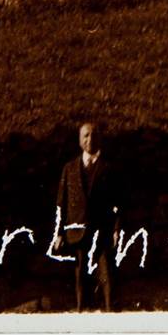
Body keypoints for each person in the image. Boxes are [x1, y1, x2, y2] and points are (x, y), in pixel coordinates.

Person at [54, 122, 119, 311]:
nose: (90, 140)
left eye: (94, 136)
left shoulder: (108, 168)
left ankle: (108, 311)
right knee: (80, 272)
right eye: (86, 135)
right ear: (79, 140)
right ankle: (81, 310)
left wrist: (116, 229)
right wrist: (58, 233)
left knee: (106, 272)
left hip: (102, 229)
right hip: (77, 229)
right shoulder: (70, 169)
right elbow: (61, 203)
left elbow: (117, 203)